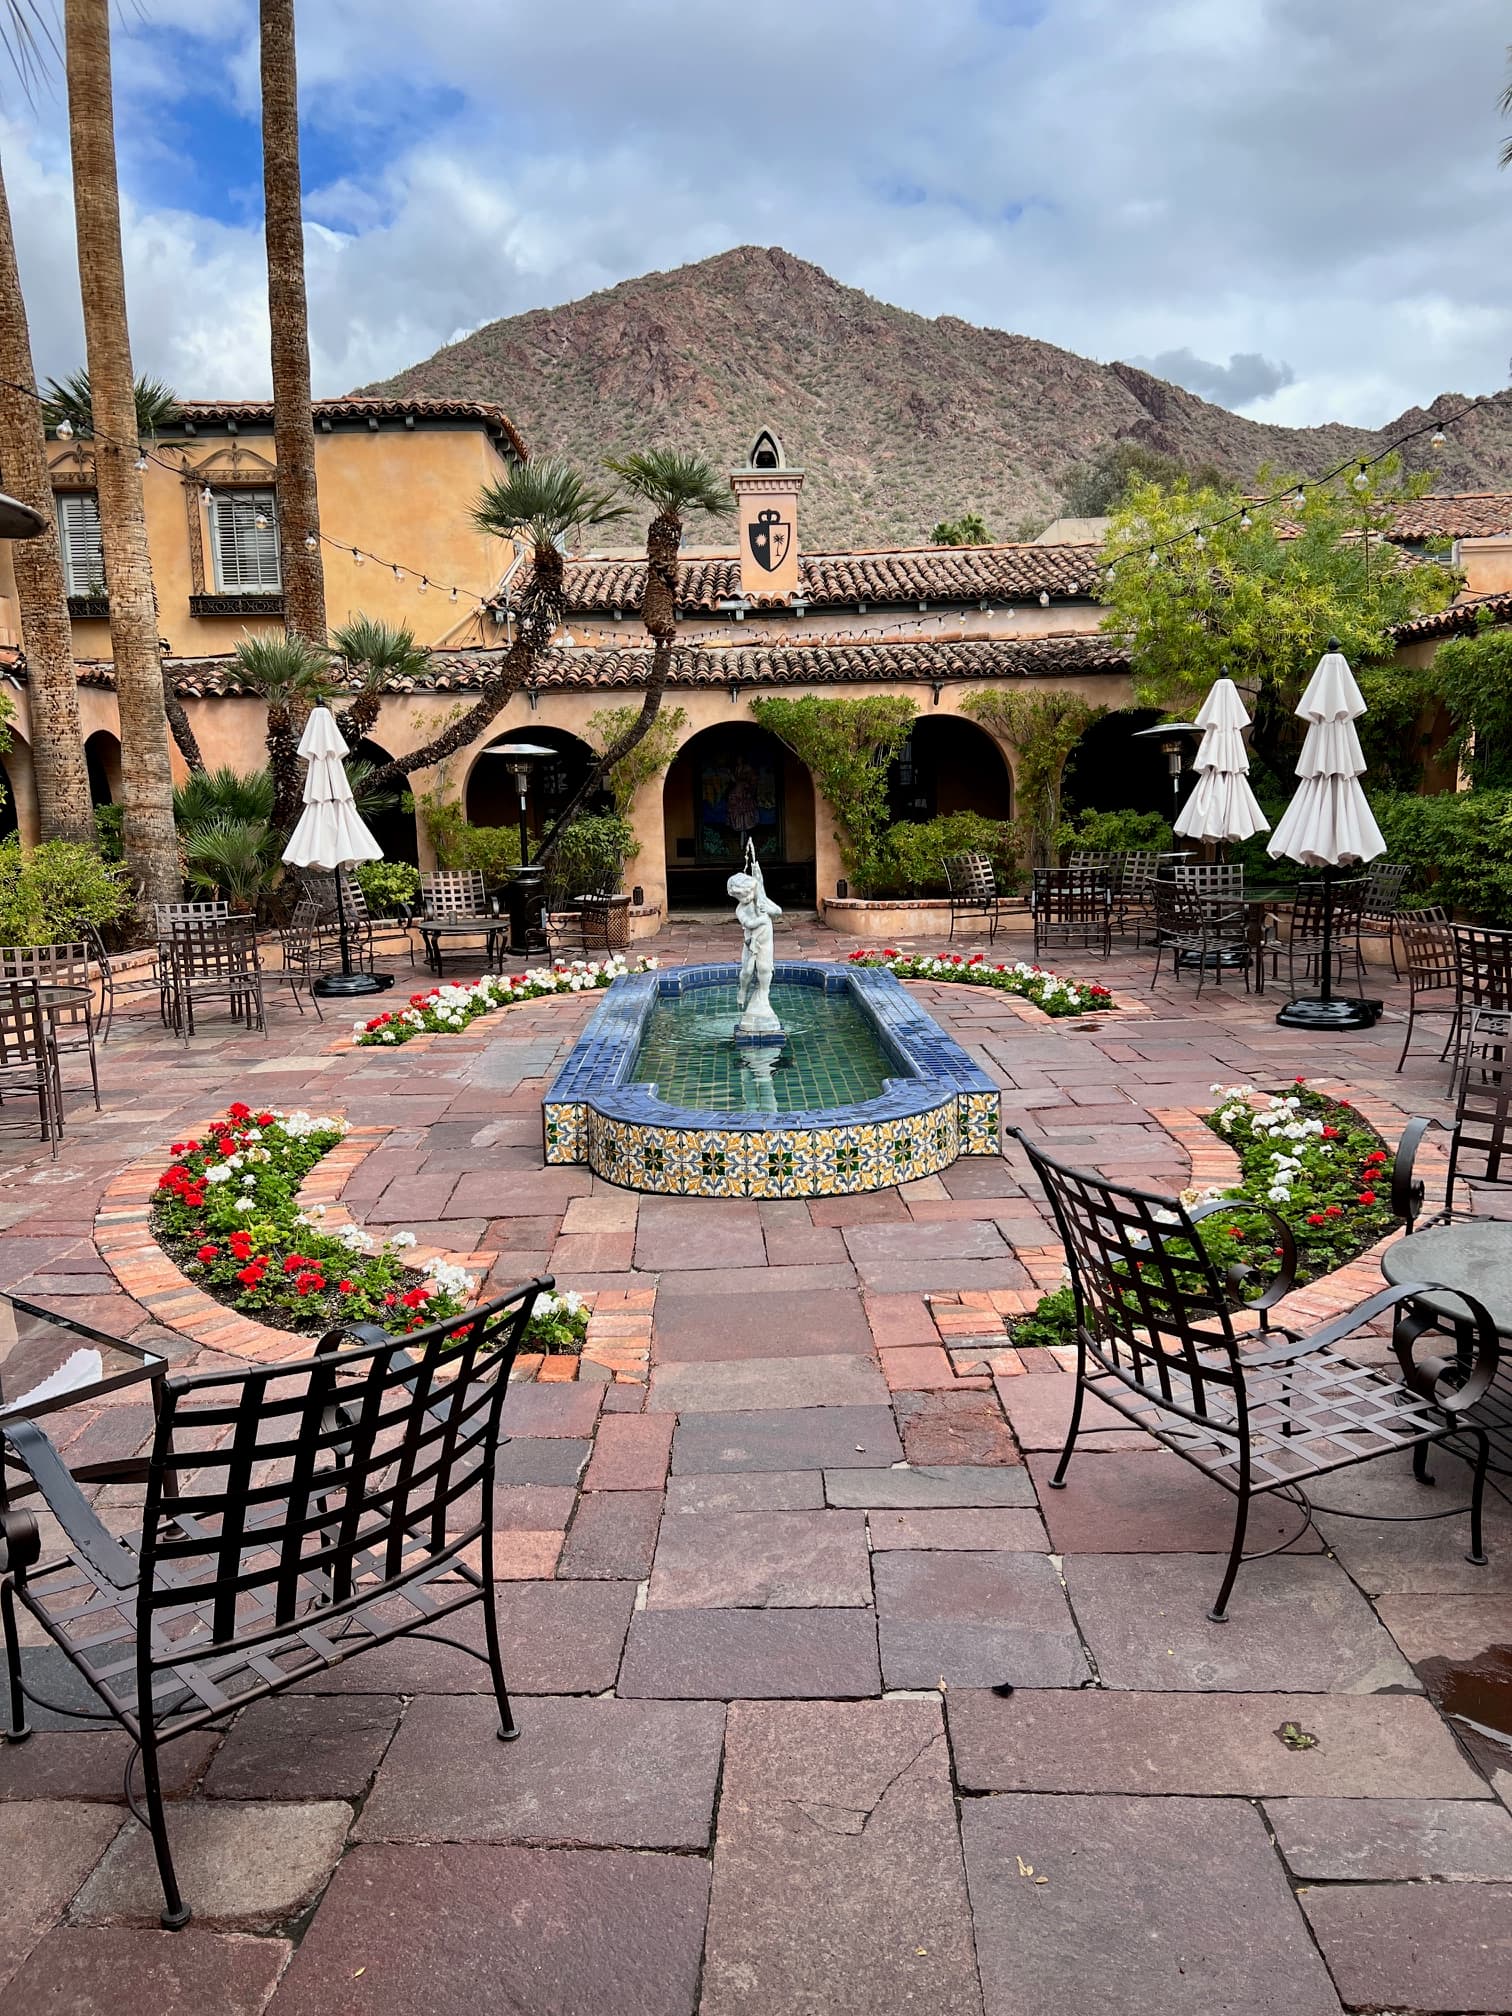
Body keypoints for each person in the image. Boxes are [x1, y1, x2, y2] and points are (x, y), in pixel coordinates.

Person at [727, 840, 782, 1033]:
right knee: (748, 970)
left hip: (766, 940)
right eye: (743, 897)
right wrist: (761, 918)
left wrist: (768, 909)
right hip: (751, 941)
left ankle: (764, 995)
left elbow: (778, 911)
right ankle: (743, 989)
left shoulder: (760, 899)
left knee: (765, 968)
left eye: (750, 894)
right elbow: (748, 924)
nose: (748, 898)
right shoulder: (740, 909)